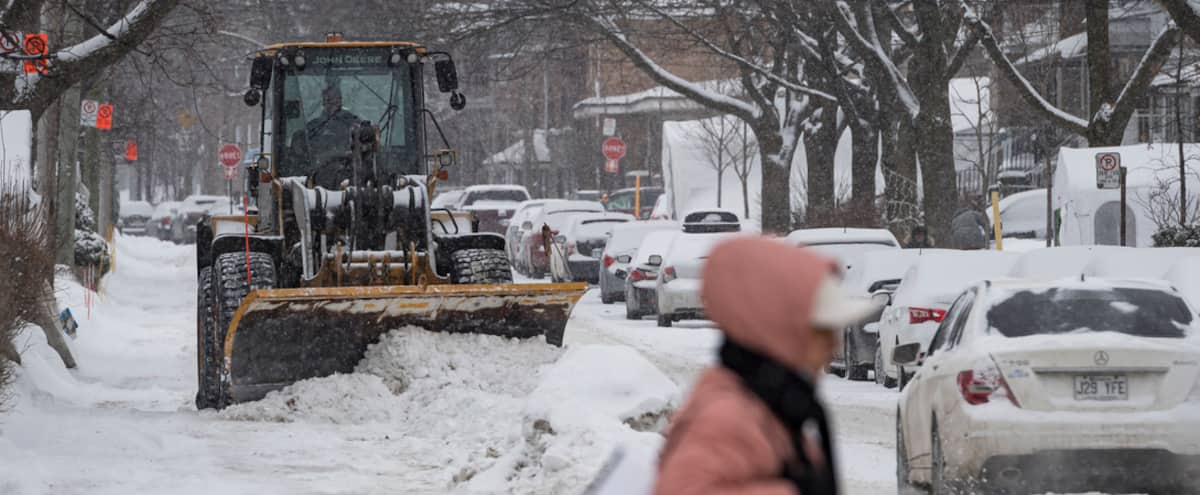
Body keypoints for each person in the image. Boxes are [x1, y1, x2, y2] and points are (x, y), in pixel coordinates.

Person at [653, 237, 879, 495]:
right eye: (822, 330)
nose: (834, 345)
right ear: (780, 328)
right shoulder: (729, 419)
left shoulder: (769, 405)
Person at [289, 84, 364, 168]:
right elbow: (300, 154)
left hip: (349, 172)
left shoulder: (354, 125)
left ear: (340, 101)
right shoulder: (312, 127)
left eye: (333, 100)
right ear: (323, 102)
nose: (330, 104)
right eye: (327, 100)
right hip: (317, 173)